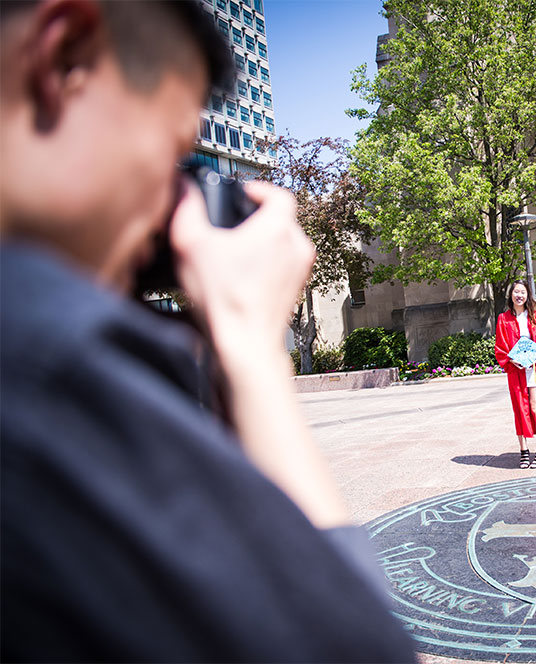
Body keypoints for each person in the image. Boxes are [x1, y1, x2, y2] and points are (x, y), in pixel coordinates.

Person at [0, 2, 415, 661]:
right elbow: (353, 648)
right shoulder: (46, 361)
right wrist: (251, 352)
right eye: (170, 154)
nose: (166, 214)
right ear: (64, 57)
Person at [494, 280, 536, 468]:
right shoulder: (504, 318)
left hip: (533, 368)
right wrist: (511, 360)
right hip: (516, 369)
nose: (519, 295)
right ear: (511, 295)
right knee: (520, 408)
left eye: (523, 292)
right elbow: (501, 346)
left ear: (528, 295)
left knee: (535, 408)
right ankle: (524, 450)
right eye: (516, 292)